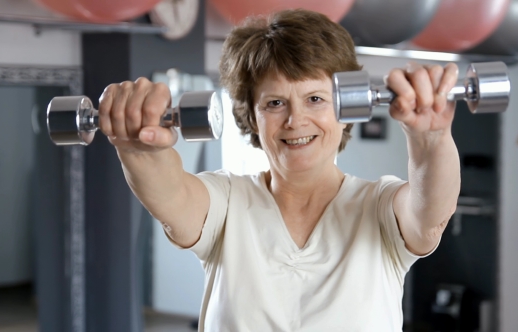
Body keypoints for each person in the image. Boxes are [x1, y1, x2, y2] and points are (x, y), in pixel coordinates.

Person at [97, 9, 460, 332]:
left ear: (344, 109)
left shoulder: (380, 206)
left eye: (314, 99)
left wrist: (431, 141)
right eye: (274, 103)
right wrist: (137, 147)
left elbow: (429, 214)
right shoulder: (227, 202)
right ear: (252, 118)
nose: (295, 120)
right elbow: (171, 194)